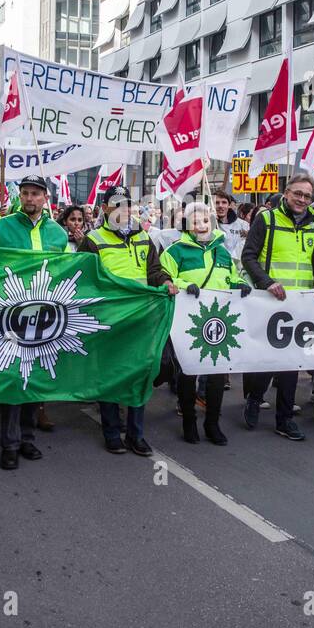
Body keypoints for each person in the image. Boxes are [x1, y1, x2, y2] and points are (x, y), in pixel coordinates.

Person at [0, 176, 71, 470]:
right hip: (10, 315)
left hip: (46, 316)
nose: (29, 198)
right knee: (13, 378)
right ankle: (10, 443)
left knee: (36, 378)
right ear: (19, 196)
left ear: (45, 198)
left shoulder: (58, 233)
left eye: (35, 194)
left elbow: (68, 272)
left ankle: (28, 438)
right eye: (25, 193)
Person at [81, 184, 178, 456]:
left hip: (141, 320)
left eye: (126, 204)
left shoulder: (144, 238)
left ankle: (136, 435)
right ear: (105, 208)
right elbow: (83, 280)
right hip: (109, 321)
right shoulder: (92, 240)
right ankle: (112, 432)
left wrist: (166, 281)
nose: (121, 210)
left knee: (140, 375)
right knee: (110, 376)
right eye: (115, 204)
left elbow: (154, 270)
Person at [240, 174, 314, 442]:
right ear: (286, 193)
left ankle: (285, 420)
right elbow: (249, 256)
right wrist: (266, 282)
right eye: (297, 194)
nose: (302, 200)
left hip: (301, 305)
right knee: (267, 361)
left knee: (291, 362)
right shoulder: (266, 219)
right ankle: (254, 399)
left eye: (307, 195)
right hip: (270, 303)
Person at [161, 201, 249, 445]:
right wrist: (180, 284)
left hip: (218, 321)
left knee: (217, 374)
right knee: (188, 372)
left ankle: (212, 423)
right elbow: (163, 278)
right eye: (195, 221)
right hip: (187, 322)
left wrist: (238, 284)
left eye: (205, 220)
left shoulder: (222, 252)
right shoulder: (174, 251)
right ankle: (189, 420)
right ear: (187, 225)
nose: (201, 225)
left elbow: (231, 276)